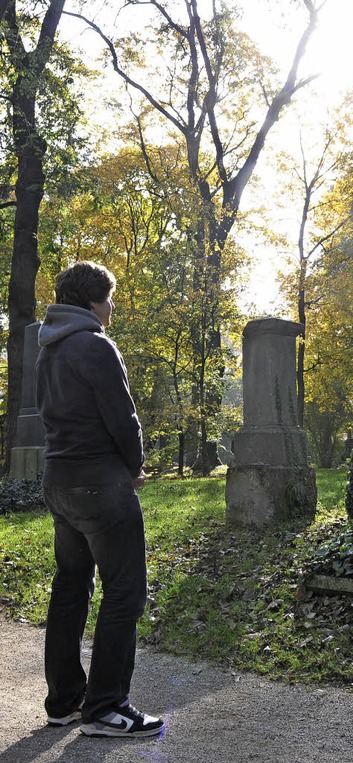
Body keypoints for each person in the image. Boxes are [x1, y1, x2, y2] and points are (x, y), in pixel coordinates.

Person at [35, 260, 165, 738]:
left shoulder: (47, 349)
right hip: (101, 484)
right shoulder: (95, 345)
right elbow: (123, 417)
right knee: (124, 592)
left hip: (59, 481)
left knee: (71, 586)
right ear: (92, 300)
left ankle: (64, 701)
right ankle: (107, 708)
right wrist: (134, 467)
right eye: (109, 297)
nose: (112, 307)